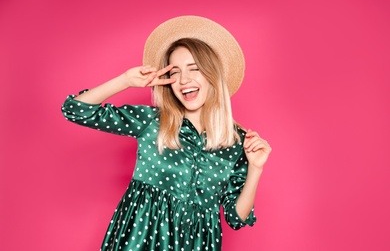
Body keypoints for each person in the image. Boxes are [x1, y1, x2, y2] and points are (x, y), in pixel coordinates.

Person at [61, 16, 271, 251]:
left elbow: (236, 218)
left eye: (194, 69)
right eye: (176, 72)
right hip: (141, 241)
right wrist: (125, 80)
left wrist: (256, 168)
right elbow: (75, 110)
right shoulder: (152, 121)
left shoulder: (236, 142)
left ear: (213, 75)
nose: (184, 80)